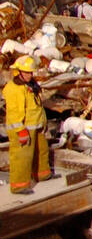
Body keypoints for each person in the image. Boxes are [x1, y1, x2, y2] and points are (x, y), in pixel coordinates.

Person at [5, 55, 50, 194]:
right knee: (22, 157)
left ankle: (42, 174)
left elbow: (37, 106)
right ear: (18, 72)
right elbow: (14, 113)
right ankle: (19, 185)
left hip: (36, 124)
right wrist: (20, 130)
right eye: (26, 72)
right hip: (23, 128)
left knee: (41, 150)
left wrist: (43, 122)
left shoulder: (29, 85)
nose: (30, 75)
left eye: (31, 72)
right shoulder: (14, 89)